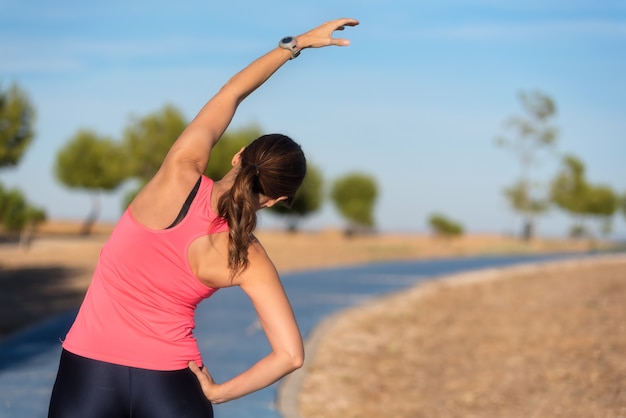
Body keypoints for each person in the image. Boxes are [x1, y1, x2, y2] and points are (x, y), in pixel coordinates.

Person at [47, 17, 359, 418]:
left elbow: (232, 92)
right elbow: (290, 355)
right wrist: (218, 393)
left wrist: (295, 44)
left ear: (238, 155)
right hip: (172, 389)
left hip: (87, 377)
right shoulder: (247, 255)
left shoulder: (178, 172)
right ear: (279, 199)